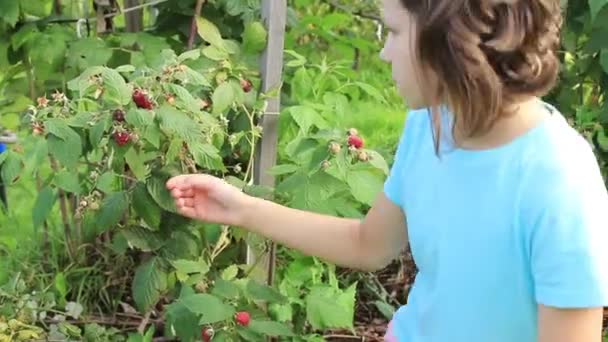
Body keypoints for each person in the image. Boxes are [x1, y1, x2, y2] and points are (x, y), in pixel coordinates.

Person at [167, 0, 608, 340]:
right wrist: (241, 209)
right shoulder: (432, 123)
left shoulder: (559, 183)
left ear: (453, 39)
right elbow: (369, 245)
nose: (383, 52)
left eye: (394, 31)